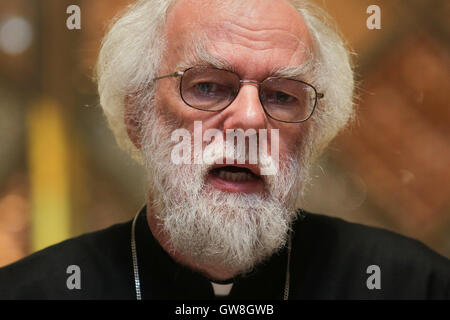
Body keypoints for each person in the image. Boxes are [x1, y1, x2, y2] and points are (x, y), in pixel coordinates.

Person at [0, 0, 449, 300]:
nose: (251, 119)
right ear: (138, 117)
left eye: (281, 96)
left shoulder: (415, 285)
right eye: (209, 87)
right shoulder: (32, 292)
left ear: (313, 132)